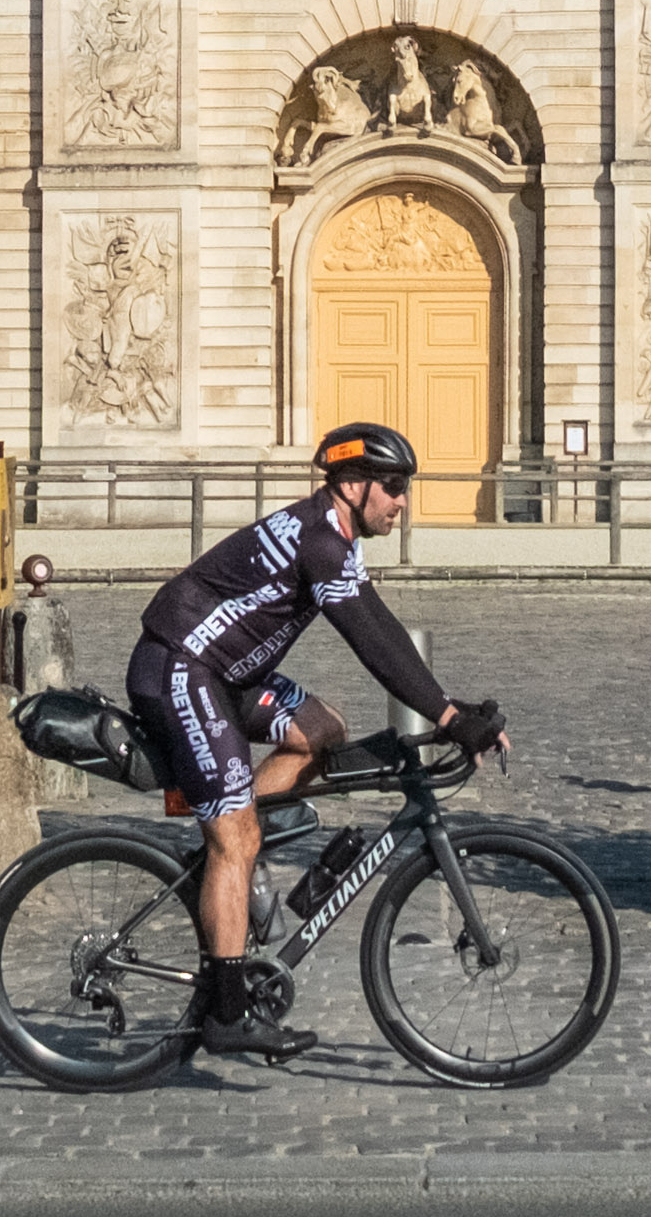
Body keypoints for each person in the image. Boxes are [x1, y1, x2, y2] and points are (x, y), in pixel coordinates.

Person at [131, 421, 504, 1060]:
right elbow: (370, 639)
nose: (402, 500)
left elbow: (381, 624)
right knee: (236, 836)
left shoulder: (334, 535)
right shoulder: (318, 540)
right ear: (352, 485)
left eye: (404, 487)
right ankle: (225, 1013)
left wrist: (448, 707)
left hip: (228, 673)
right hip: (182, 667)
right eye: (391, 486)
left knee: (324, 731)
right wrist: (447, 718)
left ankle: (233, 848)